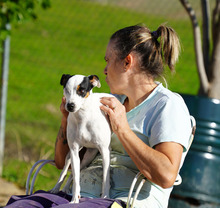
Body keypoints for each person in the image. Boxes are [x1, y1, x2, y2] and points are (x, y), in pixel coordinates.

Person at [5, 24, 192, 208]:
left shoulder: (167, 105)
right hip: (77, 196)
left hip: (125, 200)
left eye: (108, 60)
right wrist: (67, 119)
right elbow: (63, 163)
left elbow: (166, 176)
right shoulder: (105, 101)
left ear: (127, 62)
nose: (104, 70)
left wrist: (123, 129)